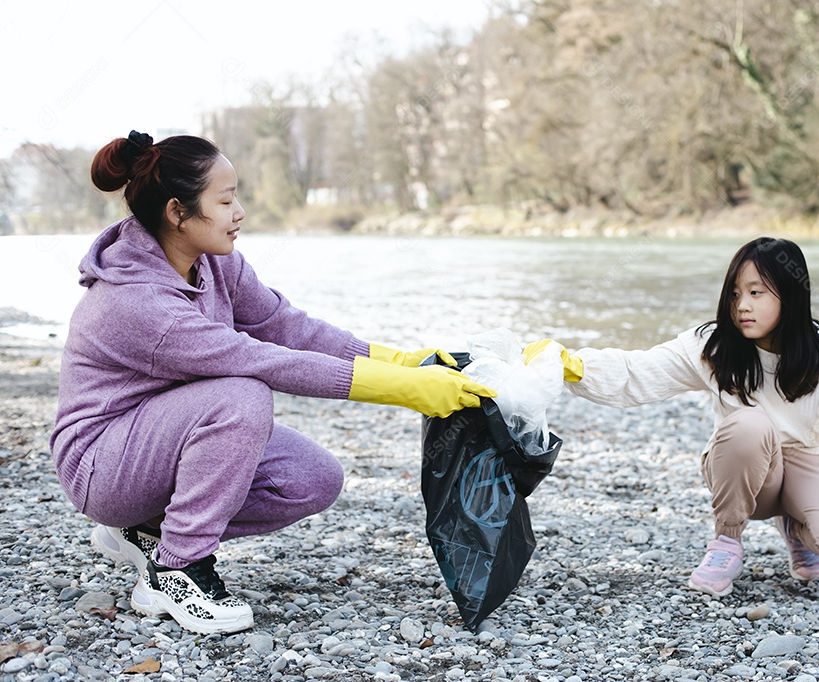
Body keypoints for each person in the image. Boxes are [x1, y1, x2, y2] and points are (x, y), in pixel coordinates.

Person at [50, 131, 495, 634]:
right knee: (243, 395)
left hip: (166, 436)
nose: (239, 212)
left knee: (310, 478)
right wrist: (402, 390)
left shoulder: (214, 260)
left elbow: (287, 328)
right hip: (103, 465)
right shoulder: (138, 302)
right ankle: (176, 569)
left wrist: (404, 362)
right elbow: (262, 360)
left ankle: (147, 531)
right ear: (178, 212)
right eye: (225, 201)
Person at [524, 237, 819, 597]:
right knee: (749, 423)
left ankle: (797, 527)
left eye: (756, 293)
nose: (742, 306)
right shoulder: (714, 346)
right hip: (748, 466)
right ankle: (727, 542)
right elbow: (640, 371)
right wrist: (575, 365)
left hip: (813, 464)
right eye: (735, 293)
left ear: (790, 296)